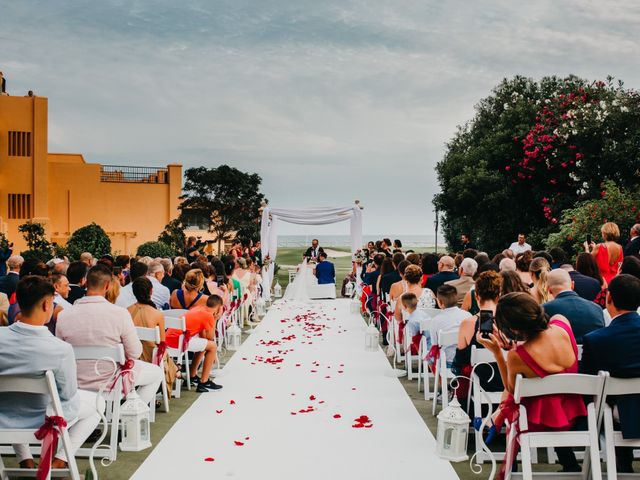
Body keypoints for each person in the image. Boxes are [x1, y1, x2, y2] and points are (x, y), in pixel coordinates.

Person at [0, 276, 105, 473]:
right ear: (47, 305)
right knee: (99, 403)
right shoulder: (60, 349)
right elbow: (68, 395)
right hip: (43, 419)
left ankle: (26, 460)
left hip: (3, 417)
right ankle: (60, 460)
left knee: (13, 400)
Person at [477, 292, 587, 467]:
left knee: (512, 403)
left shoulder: (517, 356)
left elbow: (511, 389)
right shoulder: (562, 324)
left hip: (540, 421)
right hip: (574, 411)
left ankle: (494, 425)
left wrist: (498, 353)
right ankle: (494, 421)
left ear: (512, 328)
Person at [56, 265, 163, 405]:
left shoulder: (64, 315)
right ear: (107, 286)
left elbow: (61, 354)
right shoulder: (120, 313)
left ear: (86, 283)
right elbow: (135, 352)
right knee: (157, 373)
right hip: (112, 381)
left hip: (76, 381)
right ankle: (128, 411)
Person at [580, 274, 640, 473]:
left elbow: (588, 386)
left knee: (602, 402)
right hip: (623, 410)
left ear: (609, 298)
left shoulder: (596, 340)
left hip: (620, 414)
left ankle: (621, 465)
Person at [452, 271, 505, 398]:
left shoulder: (467, 324)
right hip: (507, 385)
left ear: (476, 296)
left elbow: (459, 362)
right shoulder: (510, 322)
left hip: (478, 387)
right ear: (499, 295)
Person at [128, 277, 179, 395]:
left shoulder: (127, 311)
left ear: (134, 292)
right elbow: (162, 343)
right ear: (151, 291)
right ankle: (177, 371)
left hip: (132, 357)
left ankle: (177, 370)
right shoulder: (157, 314)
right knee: (163, 352)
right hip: (152, 358)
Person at [166, 295, 224, 392]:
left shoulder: (200, 308)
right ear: (219, 308)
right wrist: (215, 319)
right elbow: (210, 338)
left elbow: (203, 337)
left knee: (205, 345)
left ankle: (192, 375)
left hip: (172, 338)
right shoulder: (209, 315)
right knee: (213, 346)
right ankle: (204, 382)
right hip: (178, 341)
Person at [542, 269, 604, 343]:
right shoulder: (597, 308)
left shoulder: (544, 310)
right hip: (592, 353)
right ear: (572, 285)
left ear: (549, 290)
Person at [427, 285, 469, 366]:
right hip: (465, 361)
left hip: (446, 361)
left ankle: (438, 378)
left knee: (429, 358)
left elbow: (435, 344)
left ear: (440, 302)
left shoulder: (436, 320)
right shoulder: (467, 315)